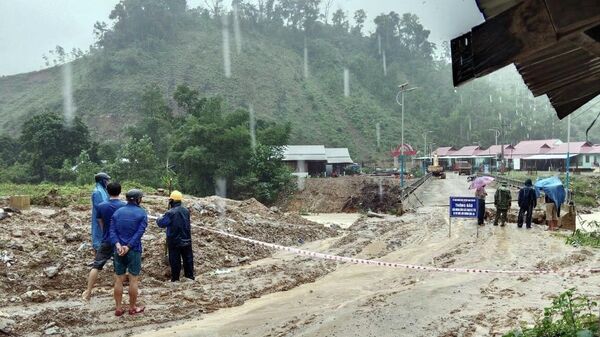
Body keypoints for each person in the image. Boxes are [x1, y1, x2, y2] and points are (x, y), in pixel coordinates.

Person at [82, 182, 126, 301]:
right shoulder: (123, 206)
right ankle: (118, 294)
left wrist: (106, 233)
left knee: (96, 265)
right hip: (120, 241)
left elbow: (100, 223)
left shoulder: (101, 206)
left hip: (106, 239)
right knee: (118, 268)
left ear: (107, 191)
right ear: (120, 191)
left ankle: (88, 292)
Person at [110, 189, 147, 316]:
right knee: (133, 280)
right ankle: (132, 308)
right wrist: (129, 246)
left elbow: (112, 231)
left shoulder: (117, 212)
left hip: (118, 250)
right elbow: (139, 233)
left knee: (119, 280)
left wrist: (118, 244)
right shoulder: (142, 213)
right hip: (134, 250)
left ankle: (118, 308)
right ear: (138, 199)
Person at [157, 191, 195, 282]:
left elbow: (162, 223)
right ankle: (189, 277)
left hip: (174, 241)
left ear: (171, 201)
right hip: (187, 239)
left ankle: (175, 279)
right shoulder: (186, 211)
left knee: (175, 261)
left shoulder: (170, 212)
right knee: (188, 259)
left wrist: (159, 218)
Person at [91, 172, 110, 253]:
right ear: (102, 181)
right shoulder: (97, 192)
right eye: (106, 180)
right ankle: (98, 249)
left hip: (105, 216)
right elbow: (99, 207)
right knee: (98, 232)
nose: (108, 182)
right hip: (100, 217)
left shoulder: (104, 190)